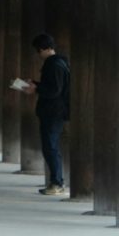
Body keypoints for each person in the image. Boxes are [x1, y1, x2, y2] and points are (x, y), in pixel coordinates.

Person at [22, 34, 71, 196]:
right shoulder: (59, 63)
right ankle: (56, 181)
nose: (38, 54)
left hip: (53, 111)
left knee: (51, 146)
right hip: (54, 111)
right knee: (51, 146)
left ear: (43, 49)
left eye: (38, 50)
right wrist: (36, 84)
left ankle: (57, 182)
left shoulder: (54, 64)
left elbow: (54, 90)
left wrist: (36, 89)